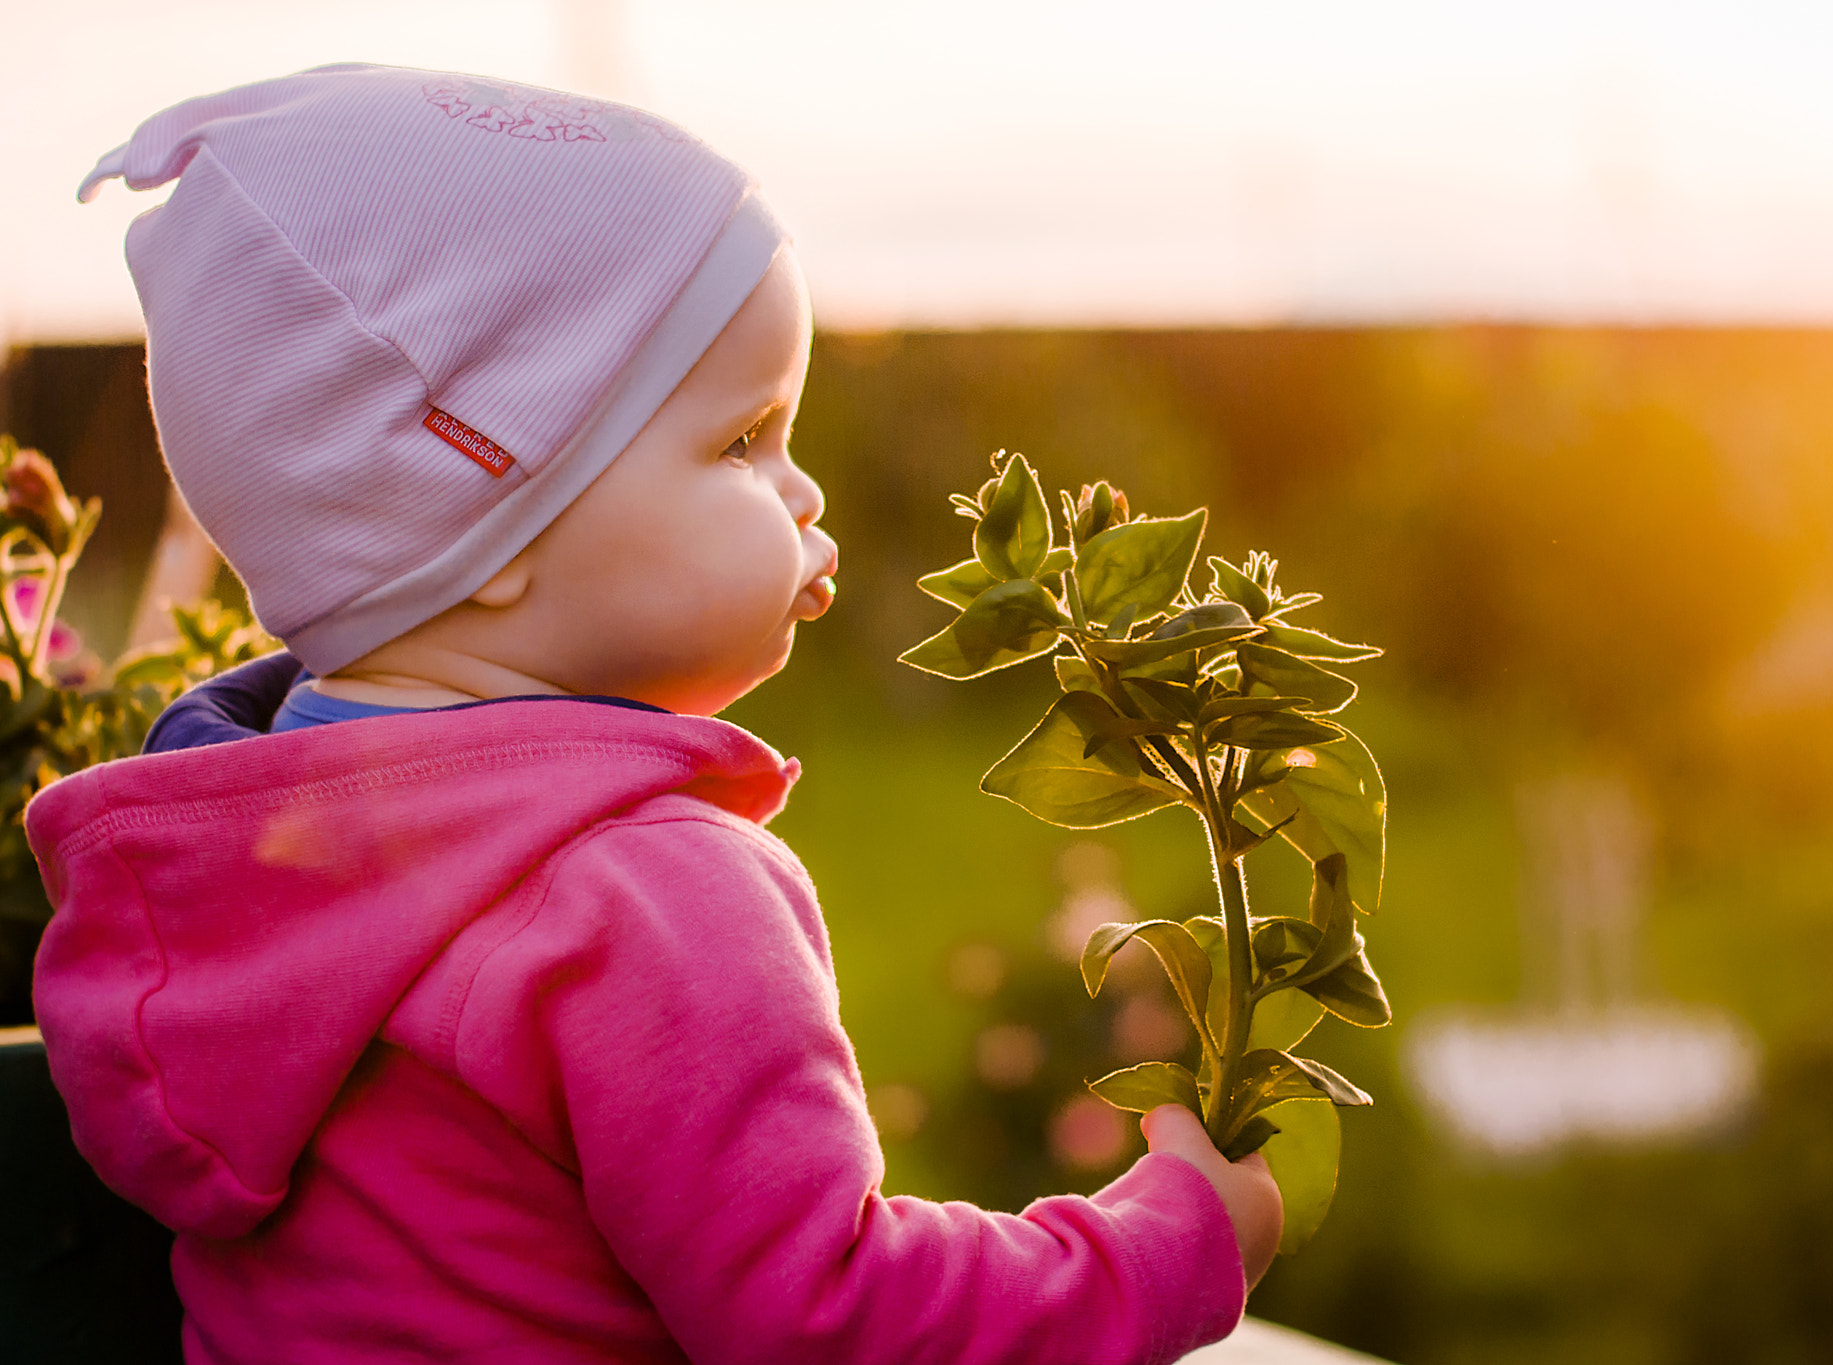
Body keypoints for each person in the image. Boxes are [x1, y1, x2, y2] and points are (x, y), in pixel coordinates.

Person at [28, 63, 1281, 1364]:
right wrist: (1174, 1243)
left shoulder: (231, 867)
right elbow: (833, 1319)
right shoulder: (641, 899)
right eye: (743, 441)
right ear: (489, 524)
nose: (801, 495)